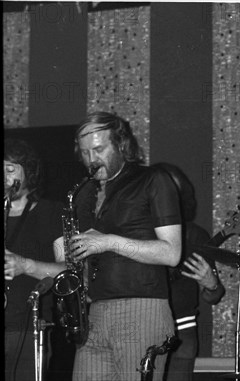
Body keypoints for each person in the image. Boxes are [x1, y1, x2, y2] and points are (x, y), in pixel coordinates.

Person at [67, 112, 182, 381]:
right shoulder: (85, 193)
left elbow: (172, 253)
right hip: (94, 312)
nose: (92, 160)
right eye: (85, 153)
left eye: (99, 149)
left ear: (121, 144)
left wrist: (109, 242)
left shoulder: (153, 179)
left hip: (142, 308)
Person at [152, 162, 225, 381]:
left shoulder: (196, 236)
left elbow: (214, 296)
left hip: (182, 332)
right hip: (143, 326)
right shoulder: (138, 232)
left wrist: (211, 283)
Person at [4, 139, 67, 381]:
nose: (4, 177)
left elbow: (68, 271)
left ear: (28, 172)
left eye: (10, 170)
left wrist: (25, 265)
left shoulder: (52, 212)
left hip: (28, 329)